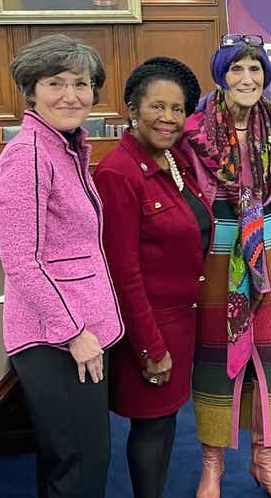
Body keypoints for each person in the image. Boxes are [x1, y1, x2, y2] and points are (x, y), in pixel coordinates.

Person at [0, 33, 123, 498]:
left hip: (72, 330)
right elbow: (21, 261)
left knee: (71, 459)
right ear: (31, 90)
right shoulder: (28, 155)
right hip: (57, 338)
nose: (71, 95)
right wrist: (76, 333)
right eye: (55, 82)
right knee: (81, 467)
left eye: (81, 83)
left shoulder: (63, 147)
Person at [179, 34, 271, 498]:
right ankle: (212, 465)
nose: (248, 79)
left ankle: (264, 461)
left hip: (266, 243)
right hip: (219, 247)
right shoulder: (195, 131)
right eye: (237, 69)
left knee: (268, 356)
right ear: (221, 75)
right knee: (214, 358)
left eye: (255, 69)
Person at [93, 57, 207, 498]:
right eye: (157, 106)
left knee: (165, 421)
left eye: (178, 109)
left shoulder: (174, 158)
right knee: (151, 429)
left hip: (182, 321)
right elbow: (123, 273)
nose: (168, 117)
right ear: (132, 109)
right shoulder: (118, 173)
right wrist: (149, 348)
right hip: (151, 328)